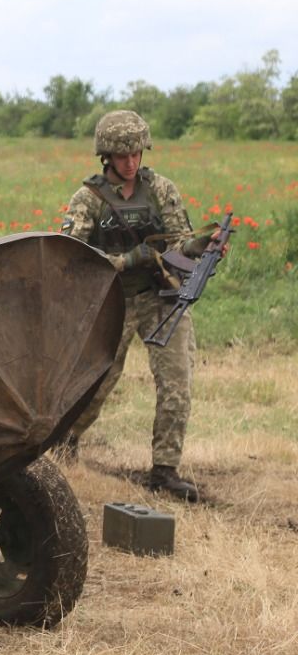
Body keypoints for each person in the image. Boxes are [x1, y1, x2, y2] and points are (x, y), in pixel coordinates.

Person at [59, 110, 213, 501]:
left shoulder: (161, 189)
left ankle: (165, 470)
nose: (131, 162)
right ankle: (64, 445)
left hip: (160, 296)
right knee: (97, 379)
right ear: (106, 156)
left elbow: (179, 242)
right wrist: (127, 261)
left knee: (177, 382)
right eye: (122, 155)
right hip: (111, 299)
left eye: (136, 154)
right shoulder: (87, 199)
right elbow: (71, 257)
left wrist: (198, 247)